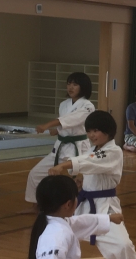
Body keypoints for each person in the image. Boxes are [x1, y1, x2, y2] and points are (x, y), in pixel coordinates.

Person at [48, 111, 136, 259]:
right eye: (89, 131)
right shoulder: (92, 149)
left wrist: (63, 165)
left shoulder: (114, 151)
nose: (92, 135)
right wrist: (79, 180)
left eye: (96, 131)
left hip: (105, 206)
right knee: (62, 237)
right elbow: (88, 165)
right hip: (84, 205)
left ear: (108, 132)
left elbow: (90, 162)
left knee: (123, 244)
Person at [25, 72, 96, 204]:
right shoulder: (64, 104)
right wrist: (56, 131)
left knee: (83, 179)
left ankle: (82, 205)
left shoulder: (88, 106)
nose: (71, 87)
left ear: (83, 87)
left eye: (75, 84)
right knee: (35, 174)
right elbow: (66, 125)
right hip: (60, 147)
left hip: (79, 147)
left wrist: (46, 125)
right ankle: (37, 206)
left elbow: (71, 120)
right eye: (69, 84)